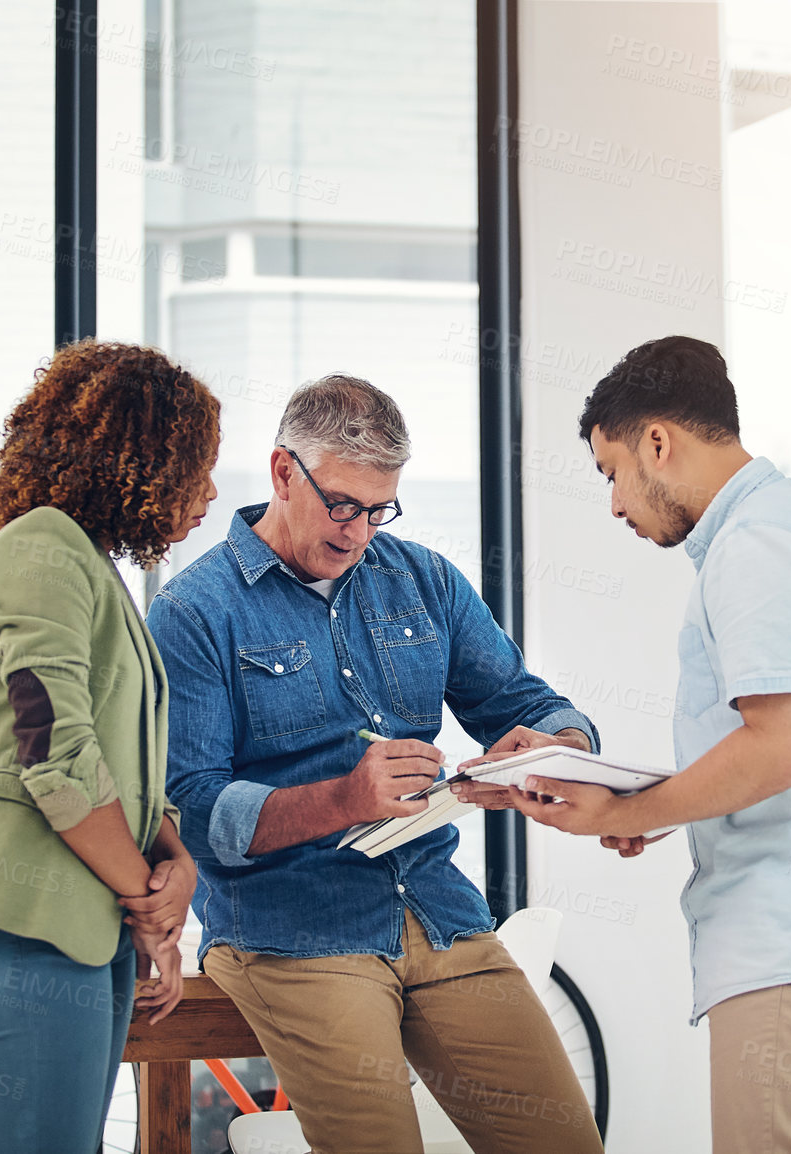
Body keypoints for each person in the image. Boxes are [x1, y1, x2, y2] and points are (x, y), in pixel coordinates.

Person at [146, 373, 606, 1154]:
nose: (359, 531)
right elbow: (191, 807)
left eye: (379, 507)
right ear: (284, 471)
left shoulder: (421, 579)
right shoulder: (193, 611)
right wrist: (343, 799)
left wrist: (560, 744)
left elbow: (525, 700)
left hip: (437, 909)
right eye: (343, 504)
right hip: (290, 931)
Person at [504, 336, 791, 1154]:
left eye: (612, 473)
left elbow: (783, 748)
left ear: (657, 442)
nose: (616, 505)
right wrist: (658, 808)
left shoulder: (754, 546)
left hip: (788, 947)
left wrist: (618, 810)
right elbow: (783, 749)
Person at [0, 340, 218, 1154]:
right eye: (196, 467)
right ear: (139, 460)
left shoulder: (86, 563)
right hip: (20, 922)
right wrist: (152, 908)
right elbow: (56, 755)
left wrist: (175, 866)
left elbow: (125, 763)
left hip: (77, 920)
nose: (210, 493)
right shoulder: (41, 548)